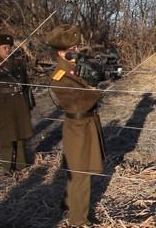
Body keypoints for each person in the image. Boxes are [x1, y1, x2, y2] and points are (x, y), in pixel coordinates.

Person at [45, 24, 105, 226]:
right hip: (78, 126)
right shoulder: (60, 76)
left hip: (87, 123)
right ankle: (78, 219)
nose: (78, 51)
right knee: (81, 174)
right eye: (74, 48)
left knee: (78, 170)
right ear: (62, 52)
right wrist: (96, 87)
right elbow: (79, 101)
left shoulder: (75, 68)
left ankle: (70, 203)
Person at [0, 33, 34, 173]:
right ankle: (7, 168)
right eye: (4, 47)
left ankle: (22, 166)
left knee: (21, 136)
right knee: (6, 138)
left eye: (9, 47)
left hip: (19, 102)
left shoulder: (18, 63)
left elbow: (26, 84)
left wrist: (29, 102)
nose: (7, 50)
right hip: (2, 105)